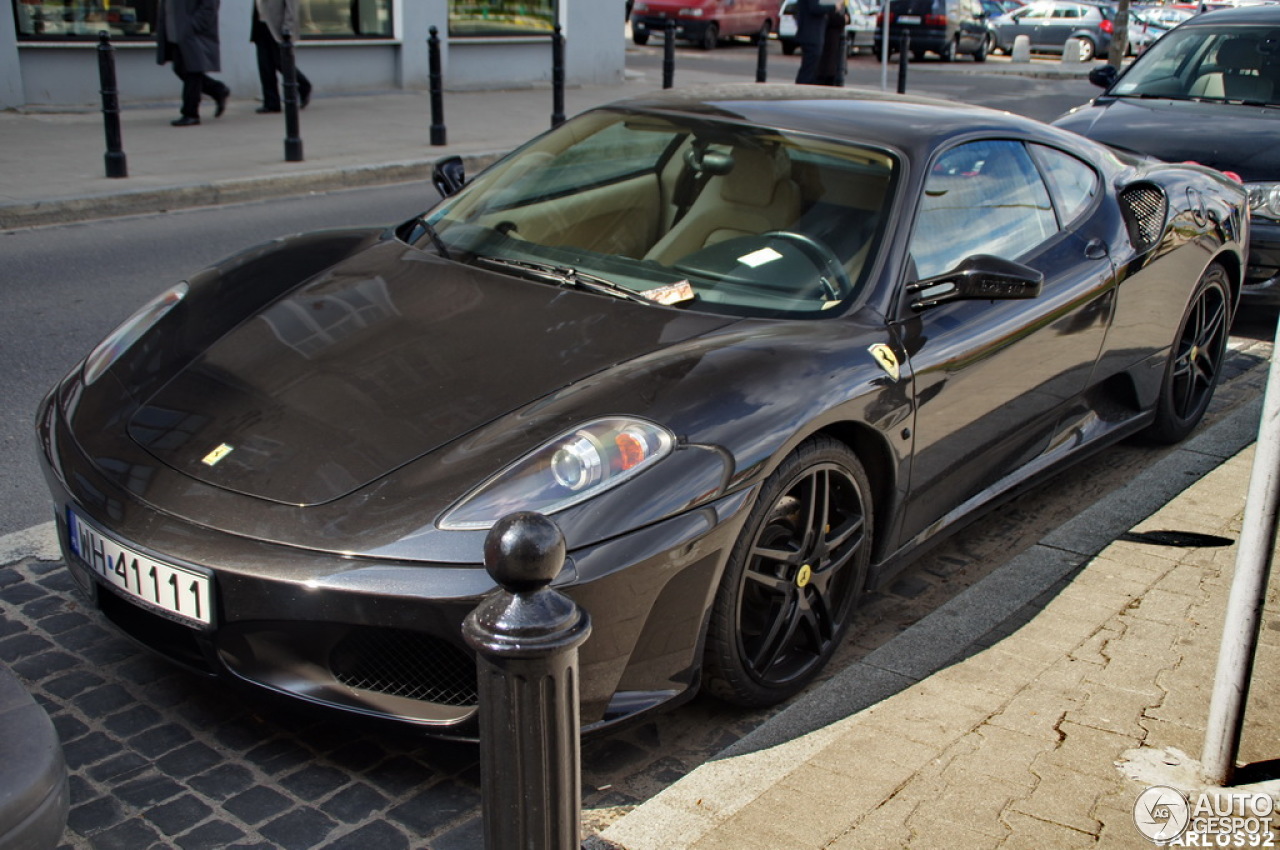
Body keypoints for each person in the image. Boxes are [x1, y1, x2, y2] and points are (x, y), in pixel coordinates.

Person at [156, 0, 230, 127]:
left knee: (193, 72)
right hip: (176, 34)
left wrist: (192, 26)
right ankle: (218, 90)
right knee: (181, 69)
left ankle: (190, 113)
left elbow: (209, 6)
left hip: (192, 35)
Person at [252, 0, 312, 114]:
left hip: (277, 27)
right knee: (265, 66)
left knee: (282, 62)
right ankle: (271, 103)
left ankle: (303, 85)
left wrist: (288, 27)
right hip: (260, 25)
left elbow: (291, 6)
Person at [794, 0, 844, 84]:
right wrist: (834, 7)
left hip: (813, 33)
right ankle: (801, 90)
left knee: (811, 68)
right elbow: (815, 8)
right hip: (811, 34)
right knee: (808, 69)